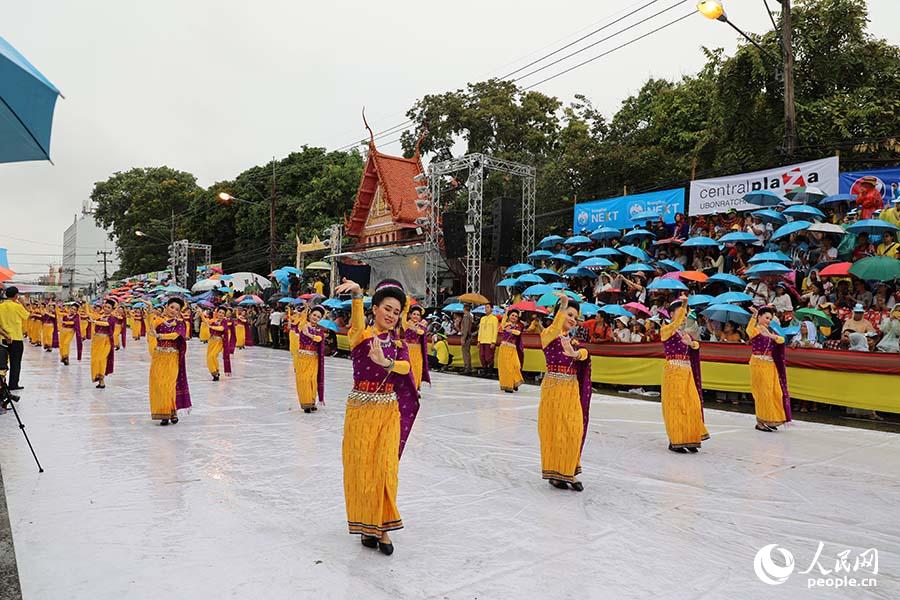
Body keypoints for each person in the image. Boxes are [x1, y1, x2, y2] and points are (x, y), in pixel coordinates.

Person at [333, 278, 418, 556]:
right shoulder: (362, 336)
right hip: (361, 410)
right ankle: (367, 525)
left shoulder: (397, 344)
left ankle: (381, 527)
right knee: (363, 469)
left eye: (397, 311)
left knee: (385, 468)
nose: (392, 316)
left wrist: (387, 363)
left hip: (388, 411)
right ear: (375, 309)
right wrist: (358, 295)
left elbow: (406, 368)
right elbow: (357, 323)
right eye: (387, 309)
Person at [538, 293, 592, 492]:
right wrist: (563, 305)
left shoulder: (573, 342)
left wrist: (577, 354)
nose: (572, 319)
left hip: (570, 389)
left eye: (575, 317)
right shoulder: (548, 335)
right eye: (569, 314)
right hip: (553, 388)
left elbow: (584, 354)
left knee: (574, 429)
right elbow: (555, 326)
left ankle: (569, 470)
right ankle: (557, 472)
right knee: (556, 431)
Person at [660, 297, 709, 453]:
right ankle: (677, 439)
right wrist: (685, 305)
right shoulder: (666, 329)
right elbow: (675, 324)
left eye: (686, 314)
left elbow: (696, 345)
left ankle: (690, 437)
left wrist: (692, 344)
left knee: (692, 403)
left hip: (686, 371)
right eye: (681, 313)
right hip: (673, 371)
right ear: (671, 314)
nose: (684, 316)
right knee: (677, 405)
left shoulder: (684, 333)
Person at [147, 298, 192, 426]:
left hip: (172, 357)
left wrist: (160, 336)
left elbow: (176, 335)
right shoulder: (159, 321)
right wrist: (150, 310)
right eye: (172, 307)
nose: (174, 311)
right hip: (159, 356)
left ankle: (172, 411)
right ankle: (165, 413)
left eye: (177, 309)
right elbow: (150, 327)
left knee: (169, 385)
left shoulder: (180, 323)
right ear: (166, 306)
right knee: (159, 385)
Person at [746, 306, 791, 432]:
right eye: (766, 317)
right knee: (763, 392)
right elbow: (748, 331)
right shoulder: (755, 330)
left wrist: (771, 336)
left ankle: (771, 419)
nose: (768, 320)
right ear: (759, 317)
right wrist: (753, 315)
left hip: (771, 365)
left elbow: (782, 340)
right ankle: (760, 421)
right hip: (758, 364)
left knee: (776, 391)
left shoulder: (769, 330)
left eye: (770, 318)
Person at [293, 305, 326, 413]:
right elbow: (305, 331)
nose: (315, 317)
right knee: (304, 380)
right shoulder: (303, 324)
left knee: (313, 380)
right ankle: (306, 403)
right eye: (314, 315)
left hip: (314, 358)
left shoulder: (319, 330)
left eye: (318, 317)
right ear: (310, 315)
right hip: (303, 358)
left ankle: (312, 401)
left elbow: (319, 340)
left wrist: (315, 336)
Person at [0, 287, 29, 391]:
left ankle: (2, 384)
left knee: (2, 362)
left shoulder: (1, 306)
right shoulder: (17, 306)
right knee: (15, 362)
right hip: (16, 338)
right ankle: (13, 384)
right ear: (16, 295)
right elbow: (27, 315)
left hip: (3, 338)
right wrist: (23, 303)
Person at [89, 299, 119, 389]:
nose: (106, 308)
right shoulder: (100, 316)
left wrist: (95, 322)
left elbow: (107, 324)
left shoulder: (112, 318)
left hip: (106, 342)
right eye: (105, 306)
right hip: (96, 341)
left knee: (101, 360)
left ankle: (101, 378)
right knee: (95, 360)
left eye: (108, 307)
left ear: (112, 309)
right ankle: (100, 381)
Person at [401, 304, 430, 391]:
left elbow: (421, 332)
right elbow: (403, 320)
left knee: (417, 369)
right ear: (410, 315)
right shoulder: (406, 324)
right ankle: (407, 387)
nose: (416, 316)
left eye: (418, 315)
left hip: (418, 351)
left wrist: (415, 328)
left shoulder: (422, 325)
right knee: (409, 368)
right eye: (414, 314)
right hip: (408, 350)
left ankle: (415, 388)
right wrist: (405, 308)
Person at [496, 309, 525, 393]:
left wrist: (511, 330)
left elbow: (518, 333)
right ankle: (509, 386)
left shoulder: (518, 326)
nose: (514, 317)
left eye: (516, 316)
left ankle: (514, 382)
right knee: (507, 368)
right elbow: (503, 325)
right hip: (504, 348)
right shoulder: (505, 324)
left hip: (513, 349)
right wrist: (506, 312)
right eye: (512, 315)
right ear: (509, 316)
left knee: (517, 365)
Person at [203, 307, 231, 381]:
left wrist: (212, 327)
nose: (221, 314)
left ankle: (215, 372)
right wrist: (200, 313)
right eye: (220, 312)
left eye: (222, 313)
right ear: (217, 313)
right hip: (211, 341)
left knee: (213, 356)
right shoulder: (214, 320)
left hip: (219, 342)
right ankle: (215, 372)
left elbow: (222, 328)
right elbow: (205, 321)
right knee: (209, 358)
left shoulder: (224, 321)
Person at [477, 303, 499, 375]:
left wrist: (493, 342)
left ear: (492, 309)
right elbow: (480, 330)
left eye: (488, 307)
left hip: (489, 341)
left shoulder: (494, 319)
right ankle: (485, 370)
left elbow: (495, 331)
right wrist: (479, 341)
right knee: (482, 357)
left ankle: (490, 371)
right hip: (482, 340)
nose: (486, 309)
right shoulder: (482, 318)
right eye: (485, 307)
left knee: (489, 357)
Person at [460, 304, 474, 374]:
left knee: (465, 353)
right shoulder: (470, 316)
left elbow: (466, 328)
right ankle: (467, 366)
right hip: (468, 336)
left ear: (465, 308)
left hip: (466, 337)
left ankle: (467, 367)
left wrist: (463, 338)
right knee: (467, 352)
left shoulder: (466, 316)